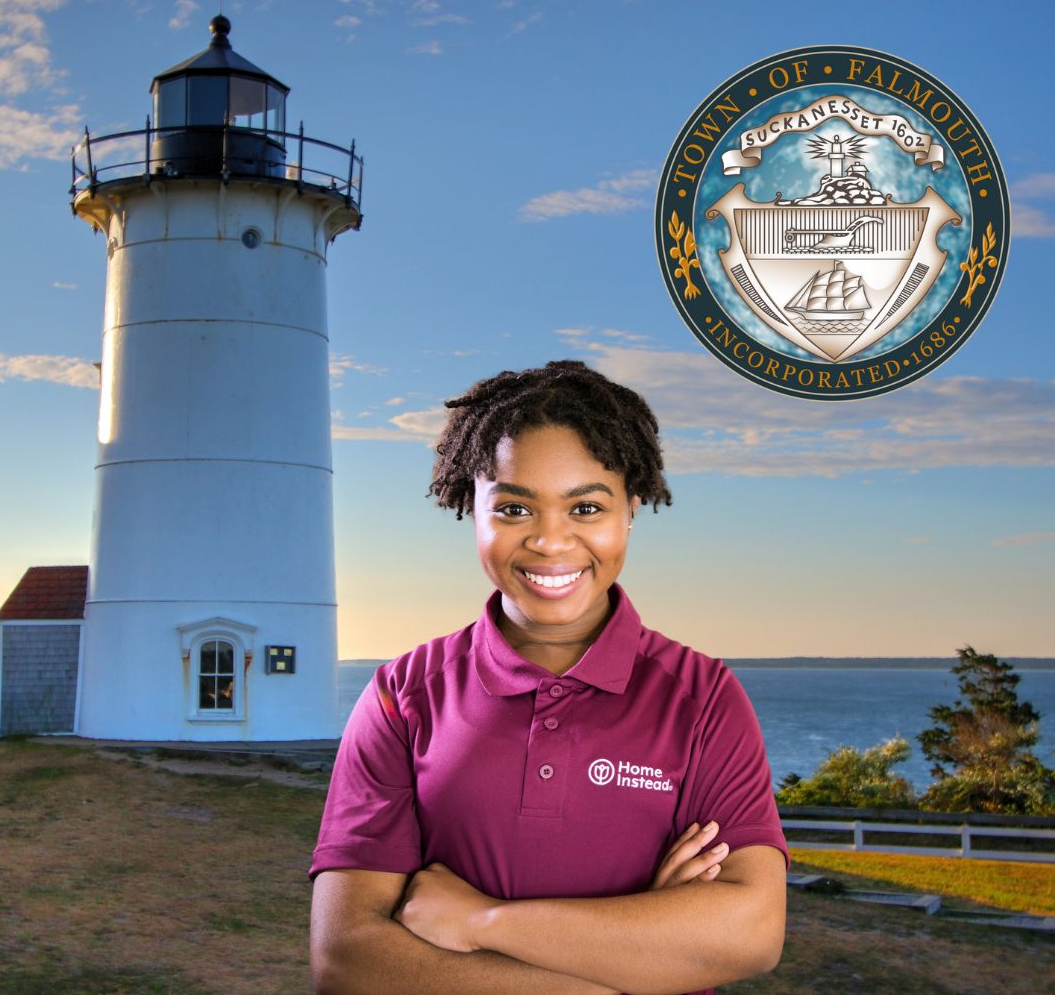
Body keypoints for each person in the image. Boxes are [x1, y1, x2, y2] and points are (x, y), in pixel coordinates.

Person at [309, 361, 788, 994]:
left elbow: (749, 933)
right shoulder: (405, 695)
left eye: (586, 507)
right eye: (513, 509)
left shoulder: (702, 698)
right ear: (469, 509)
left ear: (631, 509)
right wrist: (642, 953)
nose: (550, 542)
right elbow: (347, 963)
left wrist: (482, 921)